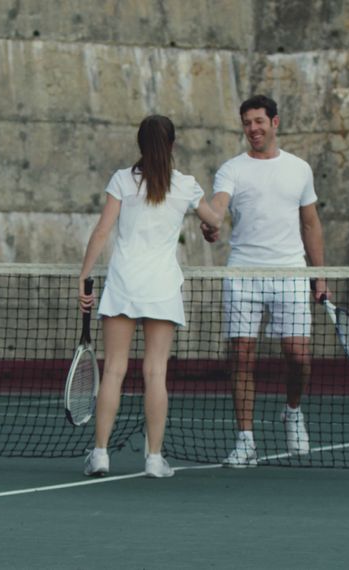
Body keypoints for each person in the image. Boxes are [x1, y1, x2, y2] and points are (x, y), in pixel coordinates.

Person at [78, 114, 223, 478]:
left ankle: (100, 454)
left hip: (124, 285)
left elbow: (101, 231)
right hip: (160, 288)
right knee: (155, 373)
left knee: (113, 371)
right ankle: (155, 459)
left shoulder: (122, 180)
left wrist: (83, 277)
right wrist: (208, 225)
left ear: (140, 145)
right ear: (172, 145)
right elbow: (216, 219)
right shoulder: (187, 186)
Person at [201, 95, 329, 468]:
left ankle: (292, 411)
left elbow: (310, 223)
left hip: (290, 272)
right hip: (243, 273)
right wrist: (212, 222)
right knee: (241, 356)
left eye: (259, 121)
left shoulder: (299, 169)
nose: (253, 129)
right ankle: (245, 440)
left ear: (275, 122)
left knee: (299, 357)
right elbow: (220, 203)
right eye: (247, 123)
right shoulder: (231, 169)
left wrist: (318, 275)